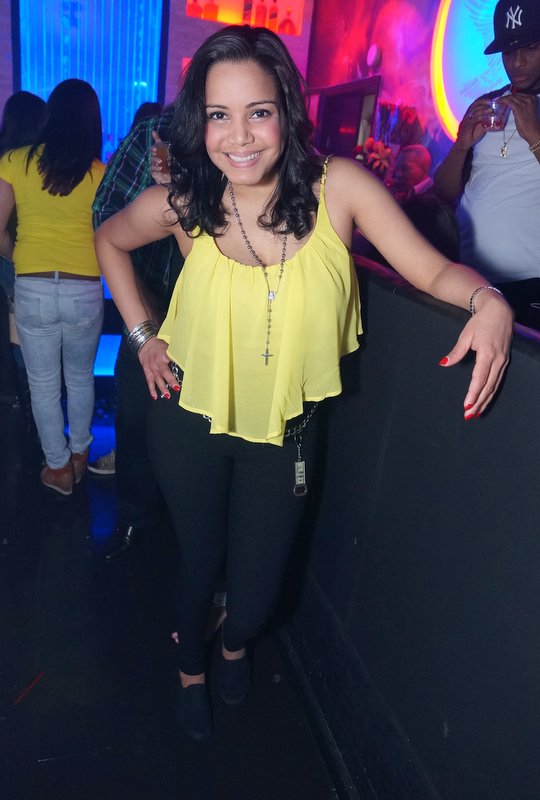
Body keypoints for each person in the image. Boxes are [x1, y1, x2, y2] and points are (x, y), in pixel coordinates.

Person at [94, 25, 512, 742]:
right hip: (188, 417)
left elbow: (434, 269)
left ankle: (234, 642)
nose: (238, 137)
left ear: (287, 109)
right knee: (199, 562)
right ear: (200, 122)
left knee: (257, 590)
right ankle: (191, 667)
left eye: (257, 111)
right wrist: (142, 337)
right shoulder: (188, 199)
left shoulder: (338, 188)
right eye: (219, 115)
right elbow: (110, 237)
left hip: (285, 430)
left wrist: (489, 302)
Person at [0, 79, 105, 495]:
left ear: (50, 114)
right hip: (85, 288)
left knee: (43, 384)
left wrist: (20, 257)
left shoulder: (14, 161)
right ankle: (80, 455)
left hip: (33, 287)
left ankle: (58, 468)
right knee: (80, 378)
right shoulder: (99, 172)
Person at [92, 106, 184, 559]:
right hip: (147, 312)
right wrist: (142, 317)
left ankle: (199, 543)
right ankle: (135, 518)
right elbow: (105, 216)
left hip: (221, 324)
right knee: (135, 421)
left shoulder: (251, 149)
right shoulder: (158, 134)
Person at [433, 0, 540, 328]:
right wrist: (462, 145)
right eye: (509, 52)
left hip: (530, 279)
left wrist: (534, 136)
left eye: (530, 48)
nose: (517, 62)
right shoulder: (486, 104)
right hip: (470, 277)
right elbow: (444, 191)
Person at [0, 92, 46, 411]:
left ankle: (18, 406)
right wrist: (17, 256)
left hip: (10, 256)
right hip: (21, 257)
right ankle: (28, 408)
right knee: (25, 342)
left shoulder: (6, 159)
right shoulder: (31, 164)